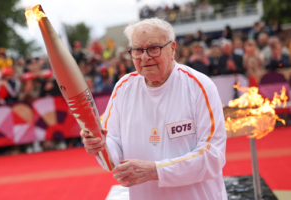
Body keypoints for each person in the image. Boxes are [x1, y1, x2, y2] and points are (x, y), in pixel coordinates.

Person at [81, 18, 227, 199]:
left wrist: (156, 171)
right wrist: (99, 146)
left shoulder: (199, 86)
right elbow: (114, 149)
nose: (144, 57)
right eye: (137, 50)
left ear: (172, 49)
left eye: (153, 48)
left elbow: (213, 156)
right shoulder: (123, 88)